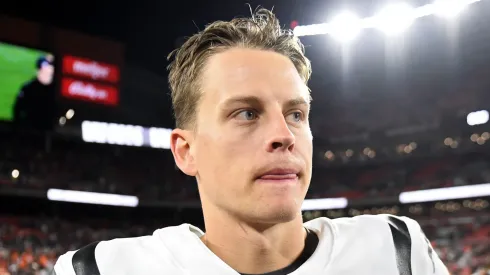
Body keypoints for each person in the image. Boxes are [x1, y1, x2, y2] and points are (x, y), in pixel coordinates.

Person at [53, 9, 449, 275]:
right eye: (247, 113)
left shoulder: (398, 251)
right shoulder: (100, 270)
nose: (283, 135)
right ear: (186, 151)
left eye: (296, 114)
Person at [13, 54, 56, 130]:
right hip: (28, 129)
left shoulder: (53, 90)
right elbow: (17, 108)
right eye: (45, 70)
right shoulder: (28, 88)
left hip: (45, 131)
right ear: (38, 71)